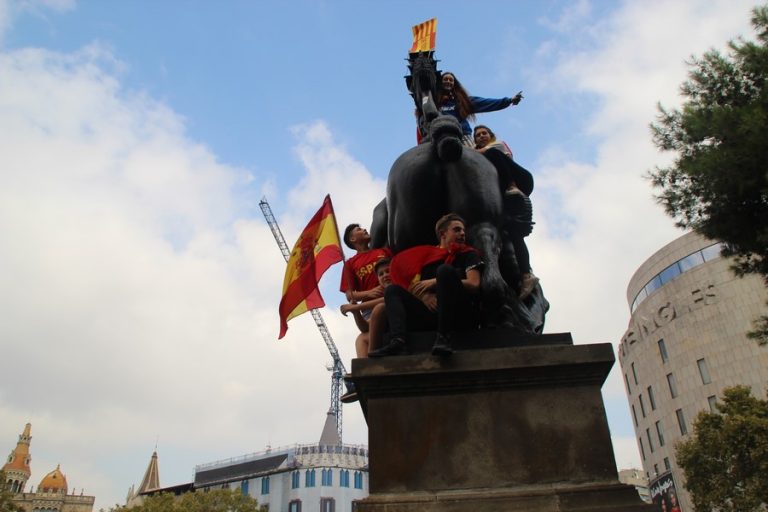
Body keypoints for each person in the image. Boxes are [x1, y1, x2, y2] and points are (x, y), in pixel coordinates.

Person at [369, 214, 483, 357]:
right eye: (457, 230)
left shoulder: (469, 254)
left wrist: (436, 281)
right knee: (393, 290)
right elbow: (413, 285)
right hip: (432, 313)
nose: (462, 234)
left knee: (445, 271)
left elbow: (474, 283)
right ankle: (398, 341)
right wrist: (423, 296)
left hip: (459, 314)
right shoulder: (426, 257)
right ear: (443, 234)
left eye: (463, 231)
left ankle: (443, 338)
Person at [474, 124, 539, 300]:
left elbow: (489, 154)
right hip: (501, 194)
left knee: (492, 154)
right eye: (477, 135)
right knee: (514, 236)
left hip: (519, 182)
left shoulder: (497, 146)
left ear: (491, 135)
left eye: (484, 133)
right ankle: (526, 275)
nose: (480, 136)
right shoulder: (478, 155)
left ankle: (512, 185)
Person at [437, 72, 523, 146]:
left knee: (473, 157)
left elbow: (486, 102)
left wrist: (509, 100)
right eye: (445, 79)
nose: (448, 81)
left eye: (451, 80)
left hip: (462, 135)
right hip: (440, 134)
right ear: (440, 82)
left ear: (454, 84)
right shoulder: (434, 101)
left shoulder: (463, 101)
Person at [340, 257, 391, 357]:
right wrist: (356, 313)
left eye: (388, 271)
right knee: (361, 339)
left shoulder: (399, 285)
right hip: (385, 330)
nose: (385, 275)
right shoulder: (350, 263)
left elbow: (387, 300)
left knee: (379, 308)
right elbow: (365, 328)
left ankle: (371, 356)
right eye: (381, 274)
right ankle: (366, 369)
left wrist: (355, 308)